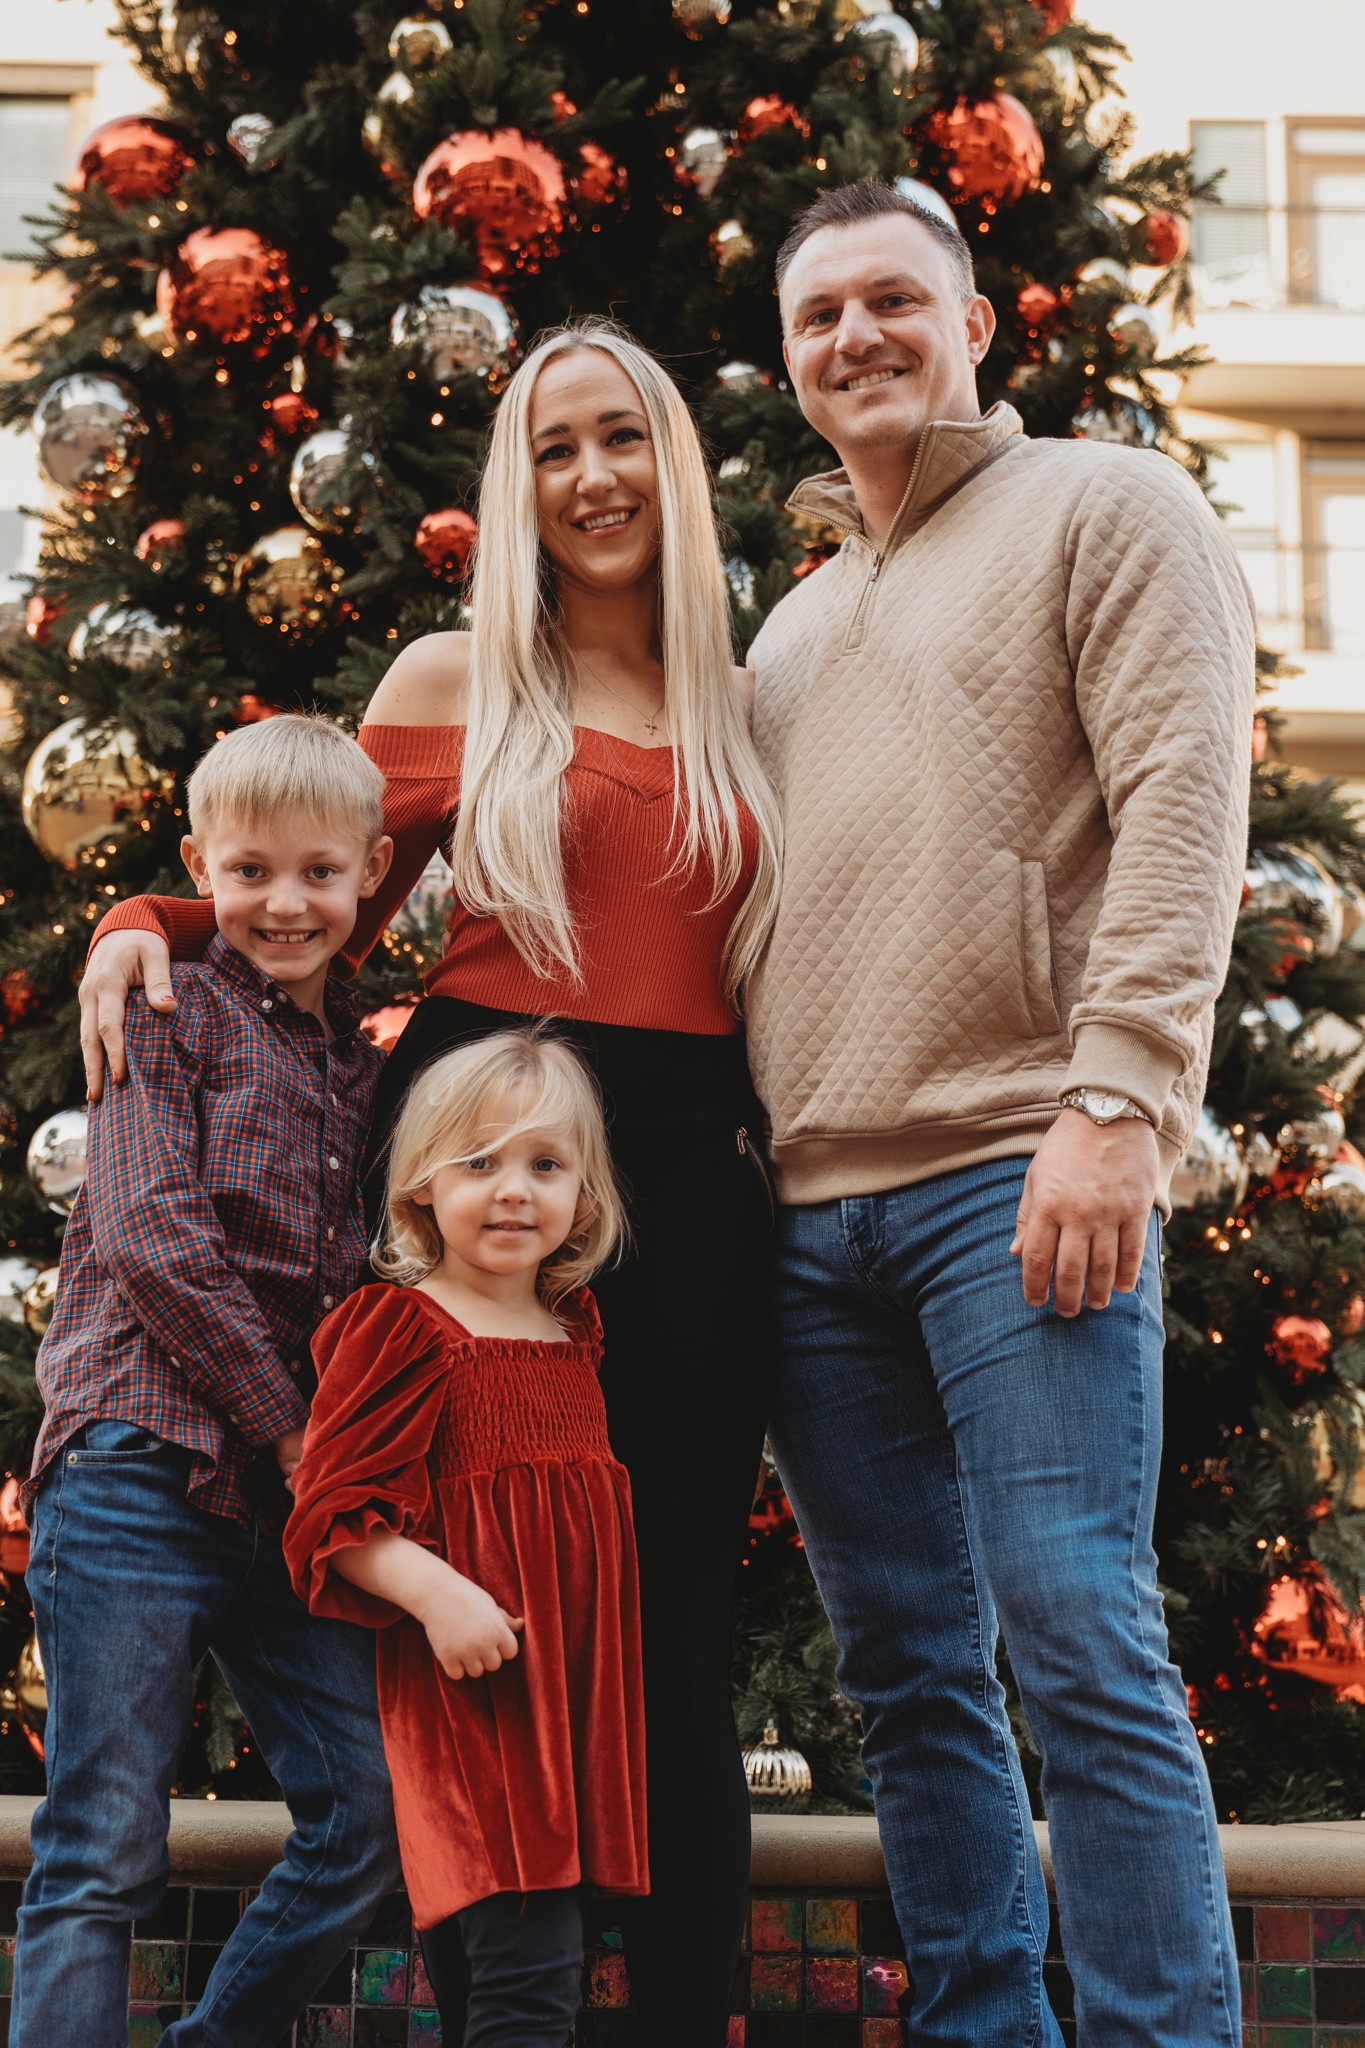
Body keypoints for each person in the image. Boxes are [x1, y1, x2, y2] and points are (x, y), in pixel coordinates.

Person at [78, 316, 782, 2048]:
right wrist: (138, 918)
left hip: (685, 1184)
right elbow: (297, 886)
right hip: (477, 1153)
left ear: (673, 462)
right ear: (516, 485)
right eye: (554, 448)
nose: (593, 477)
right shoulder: (457, 679)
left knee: (675, 1629)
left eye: (622, 437)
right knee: (479, 1623)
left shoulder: (752, 695)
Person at [742, 179, 1257, 2047]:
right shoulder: (785, 634)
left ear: (974, 324)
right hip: (806, 1219)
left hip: (1017, 1171)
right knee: (906, 1675)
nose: (856, 337)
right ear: (792, 364)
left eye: (893, 298)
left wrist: (1120, 1096)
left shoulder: (1105, 507)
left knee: (1076, 1628)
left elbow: (1185, 798)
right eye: (818, 316)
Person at [12, 716, 402, 2048]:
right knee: (104, 1845)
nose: (285, 903)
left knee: (369, 1810)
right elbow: (149, 1234)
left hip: (283, 1503)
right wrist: (293, 1430)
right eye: (249, 872)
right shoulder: (162, 1005)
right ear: (198, 868)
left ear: (371, 873)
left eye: (319, 873)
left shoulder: (363, 1068)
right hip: (140, 1462)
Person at [285, 1028, 646, 2047]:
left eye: (546, 1165)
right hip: (477, 1716)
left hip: (565, 1715)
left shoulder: (575, 1331)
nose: (513, 1191)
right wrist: (441, 1594)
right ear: (421, 1188)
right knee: (530, 1987)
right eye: (479, 1162)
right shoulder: (403, 1328)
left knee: (517, 1983)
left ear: (584, 1191)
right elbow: (330, 1511)